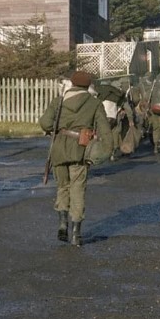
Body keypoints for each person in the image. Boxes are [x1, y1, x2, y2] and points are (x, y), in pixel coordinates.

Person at [39, 71, 112, 247]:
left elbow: (45, 124)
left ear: (71, 84)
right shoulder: (94, 103)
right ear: (88, 86)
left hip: (58, 149)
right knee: (77, 189)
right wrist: (106, 151)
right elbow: (105, 131)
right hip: (81, 150)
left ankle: (63, 222)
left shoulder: (58, 101)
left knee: (62, 186)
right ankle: (76, 235)